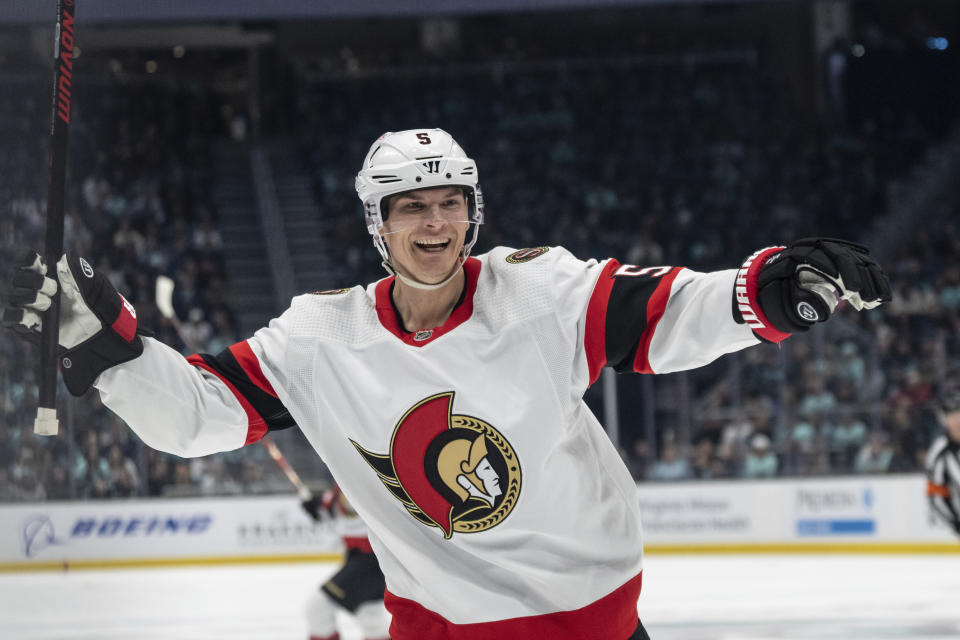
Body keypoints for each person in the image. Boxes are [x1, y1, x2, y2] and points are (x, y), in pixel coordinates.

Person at [2, 128, 891, 640]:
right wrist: (104, 343)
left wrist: (765, 291)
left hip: (593, 628)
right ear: (377, 226)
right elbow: (196, 416)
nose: (436, 222)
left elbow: (664, 312)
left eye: (451, 202)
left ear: (474, 211)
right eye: (411, 208)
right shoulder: (320, 337)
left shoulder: (538, 292)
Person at [301, 484, 390, 640]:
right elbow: (332, 510)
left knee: (317, 609)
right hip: (359, 558)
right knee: (371, 618)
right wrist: (317, 505)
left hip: (370, 561)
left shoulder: (368, 477)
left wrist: (322, 505)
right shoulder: (342, 482)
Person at [925, 375, 960, 537]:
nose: (957, 420)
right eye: (952, 416)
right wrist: (956, 524)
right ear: (944, 420)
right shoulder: (939, 452)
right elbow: (936, 495)